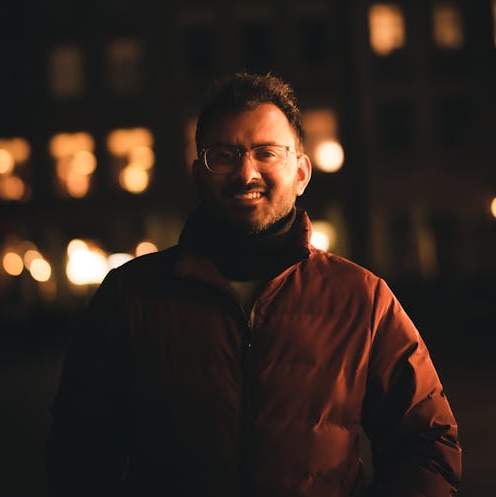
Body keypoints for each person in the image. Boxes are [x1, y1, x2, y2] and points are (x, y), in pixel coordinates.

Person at [46, 72, 462, 497]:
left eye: (267, 153)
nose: (246, 173)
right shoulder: (129, 297)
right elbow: (78, 453)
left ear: (301, 173)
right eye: (223, 155)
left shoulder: (362, 298)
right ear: (197, 173)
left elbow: (427, 444)